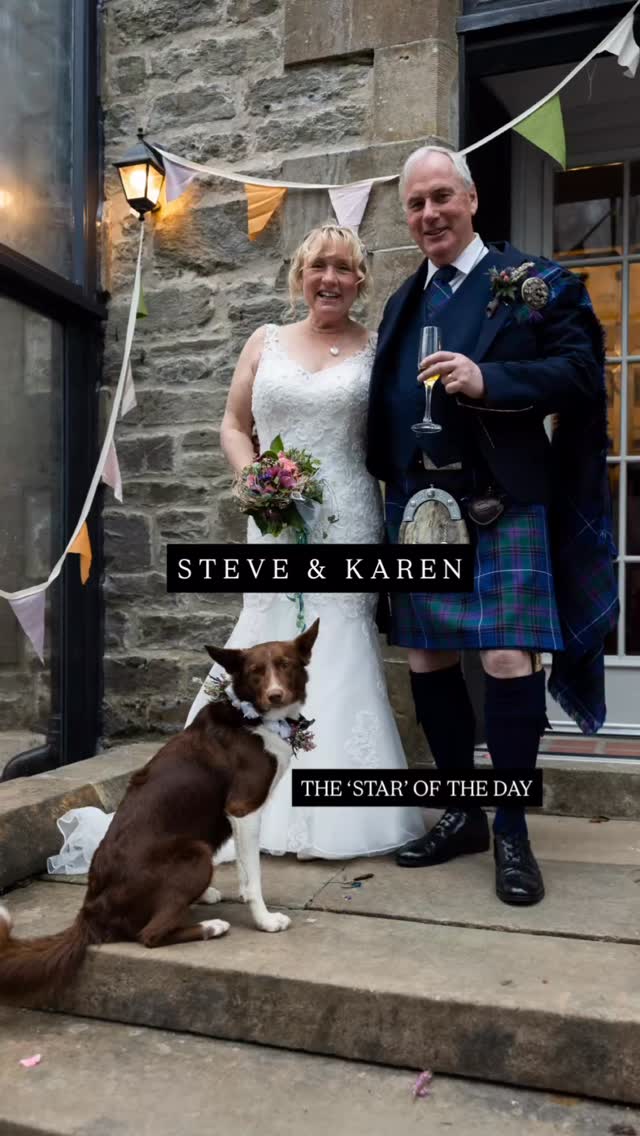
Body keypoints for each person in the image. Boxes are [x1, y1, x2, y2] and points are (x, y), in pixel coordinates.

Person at [367, 145, 617, 905]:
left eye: (441, 197)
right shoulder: (403, 300)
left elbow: (581, 371)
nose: (429, 214)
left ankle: (510, 826)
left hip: (502, 502)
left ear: (471, 199)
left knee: (508, 661)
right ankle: (462, 813)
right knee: (427, 662)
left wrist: (492, 380)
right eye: (415, 204)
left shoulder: (534, 283)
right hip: (419, 509)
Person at [184, 223, 424, 860]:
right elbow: (235, 425)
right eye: (320, 265)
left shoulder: (378, 349)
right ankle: (230, 794)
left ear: (360, 281)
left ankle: (333, 813)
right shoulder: (264, 341)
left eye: (344, 268)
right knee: (260, 640)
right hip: (272, 518)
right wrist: (253, 481)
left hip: (347, 517)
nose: (331, 278)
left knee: (336, 647)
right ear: (300, 274)